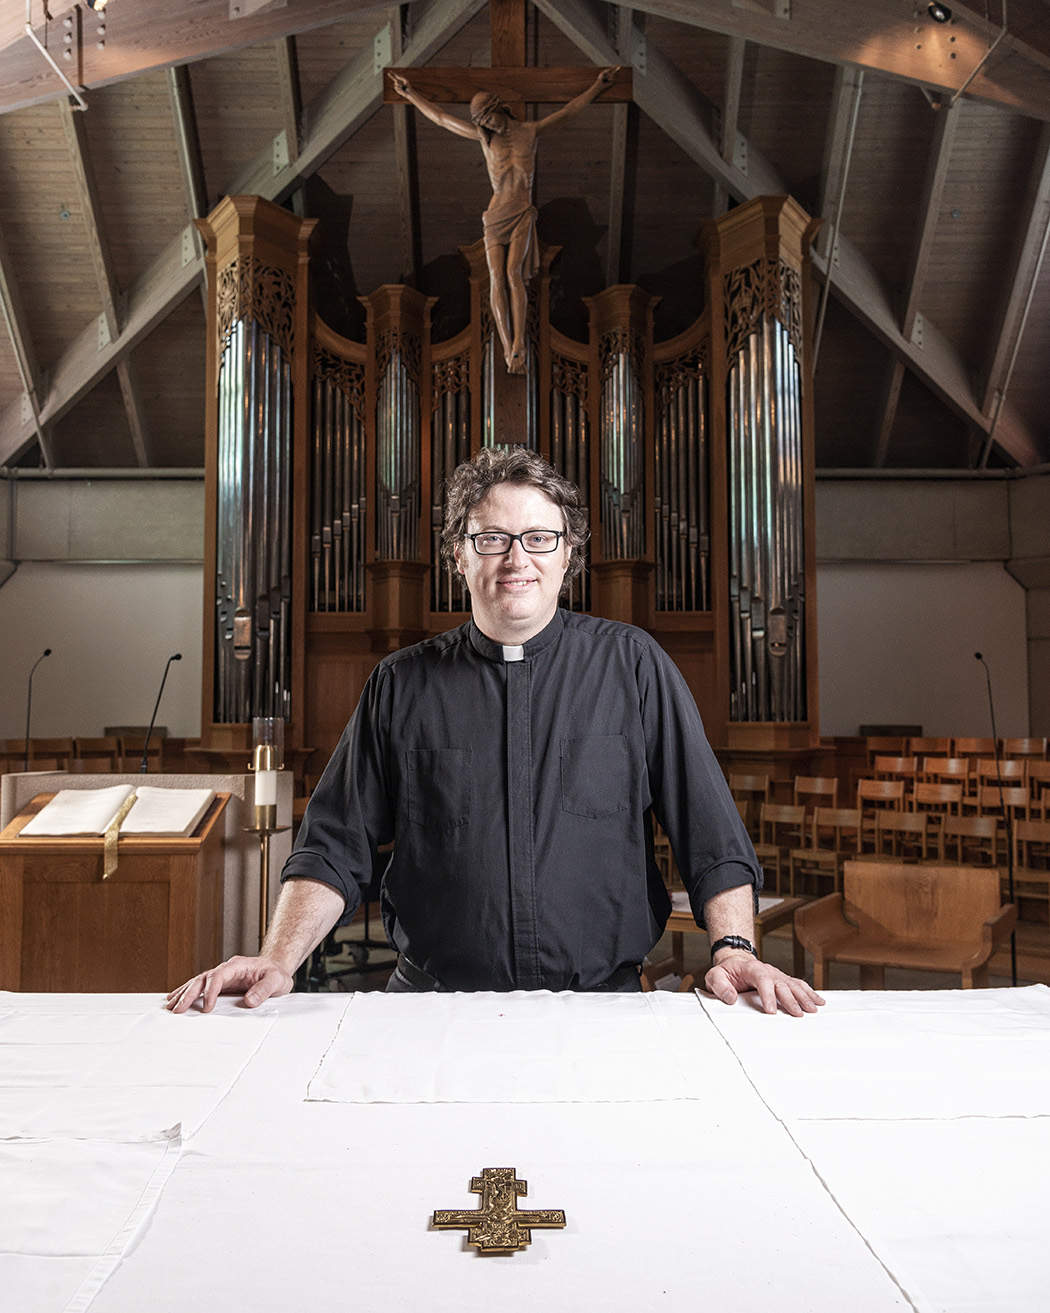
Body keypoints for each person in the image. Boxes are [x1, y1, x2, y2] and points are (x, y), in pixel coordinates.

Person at [169, 447, 823, 1017]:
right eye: (492, 538)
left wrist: (735, 948)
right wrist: (277, 958)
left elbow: (712, 836)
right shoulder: (400, 684)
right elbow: (333, 847)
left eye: (539, 537)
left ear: (568, 554)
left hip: (604, 1007)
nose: (517, 559)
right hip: (431, 1006)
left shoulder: (634, 666)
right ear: (459, 554)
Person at [387, 67, 617, 375]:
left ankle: (519, 342)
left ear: (498, 108)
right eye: (482, 123)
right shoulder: (487, 141)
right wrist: (410, 93)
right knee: (495, 276)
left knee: (513, 274)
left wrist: (597, 87)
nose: (487, 125)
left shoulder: (530, 132)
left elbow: (568, 112)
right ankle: (507, 347)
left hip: (522, 210)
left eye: (489, 118)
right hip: (495, 215)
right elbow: (442, 119)